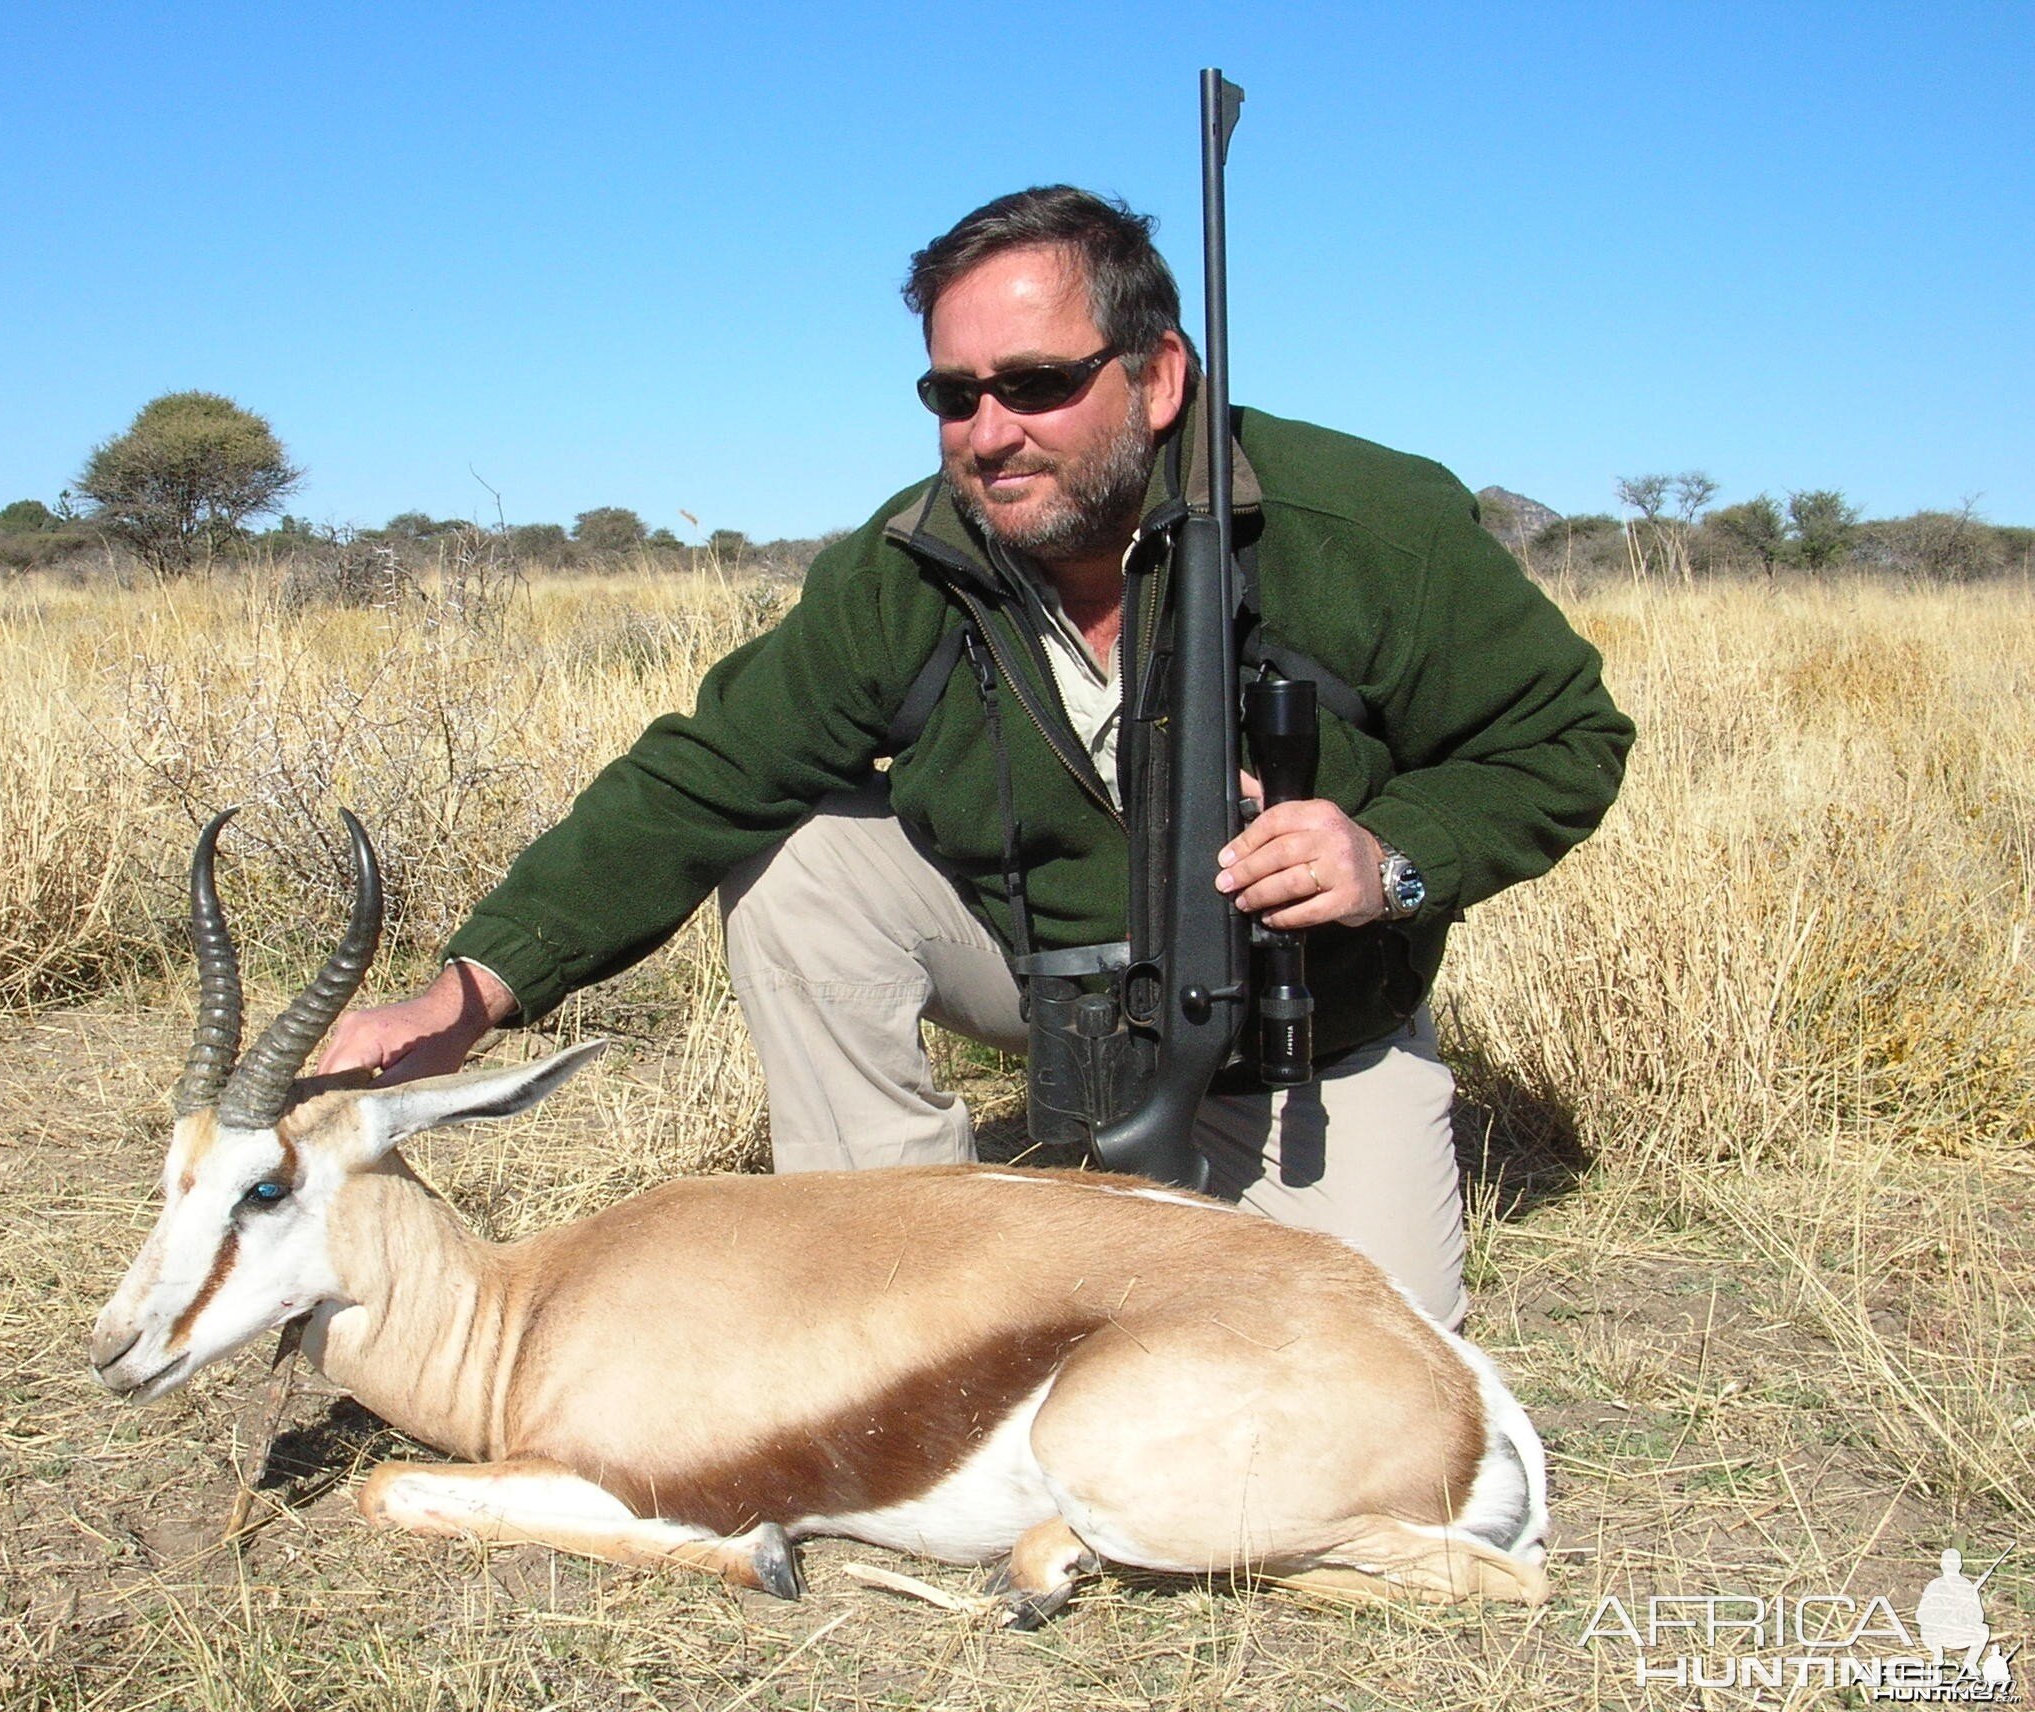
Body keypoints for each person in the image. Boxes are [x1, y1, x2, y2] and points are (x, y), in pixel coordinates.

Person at [317, 186, 1633, 1328]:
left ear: (1160, 375)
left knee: (1361, 1380)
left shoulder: (1368, 525)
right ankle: (876, 1274)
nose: (988, 432)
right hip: (1039, 974)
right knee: (801, 858)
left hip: (1303, 1032)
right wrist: (470, 993)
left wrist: (1392, 860)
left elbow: (1564, 741)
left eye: (1039, 384)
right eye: (954, 395)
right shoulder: (909, 558)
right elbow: (708, 772)